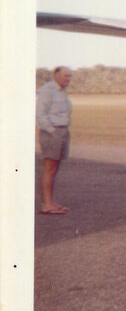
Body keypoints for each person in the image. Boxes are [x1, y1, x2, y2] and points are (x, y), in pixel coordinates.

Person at [36, 66, 73, 215]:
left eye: (70, 76)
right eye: (65, 76)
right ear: (56, 75)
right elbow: (40, 114)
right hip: (52, 133)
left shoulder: (62, 92)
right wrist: (51, 131)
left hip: (62, 131)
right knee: (49, 169)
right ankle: (47, 205)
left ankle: (51, 202)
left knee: (54, 169)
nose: (68, 79)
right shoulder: (47, 90)